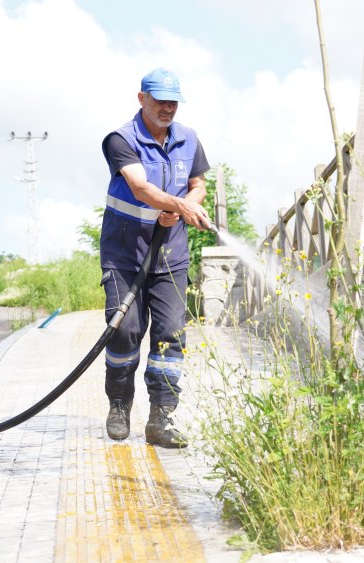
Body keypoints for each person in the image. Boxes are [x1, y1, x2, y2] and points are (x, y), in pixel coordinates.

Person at [98, 67, 211, 448]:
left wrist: (182, 207)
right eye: (160, 100)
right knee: (125, 329)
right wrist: (176, 204)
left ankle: (161, 419)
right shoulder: (121, 139)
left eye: (173, 101)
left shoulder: (189, 138)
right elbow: (140, 187)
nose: (167, 108)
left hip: (171, 256)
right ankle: (118, 404)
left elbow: (199, 186)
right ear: (141, 98)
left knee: (169, 336)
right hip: (125, 256)